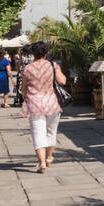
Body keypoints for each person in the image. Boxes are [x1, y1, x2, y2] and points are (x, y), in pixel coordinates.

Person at [18, 42, 66, 172]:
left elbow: (23, 89)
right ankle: (49, 156)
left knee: (38, 133)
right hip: (51, 102)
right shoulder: (52, 65)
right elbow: (62, 81)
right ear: (46, 53)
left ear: (33, 53)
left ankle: (42, 163)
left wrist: (26, 99)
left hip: (34, 103)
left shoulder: (28, 68)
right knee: (51, 132)